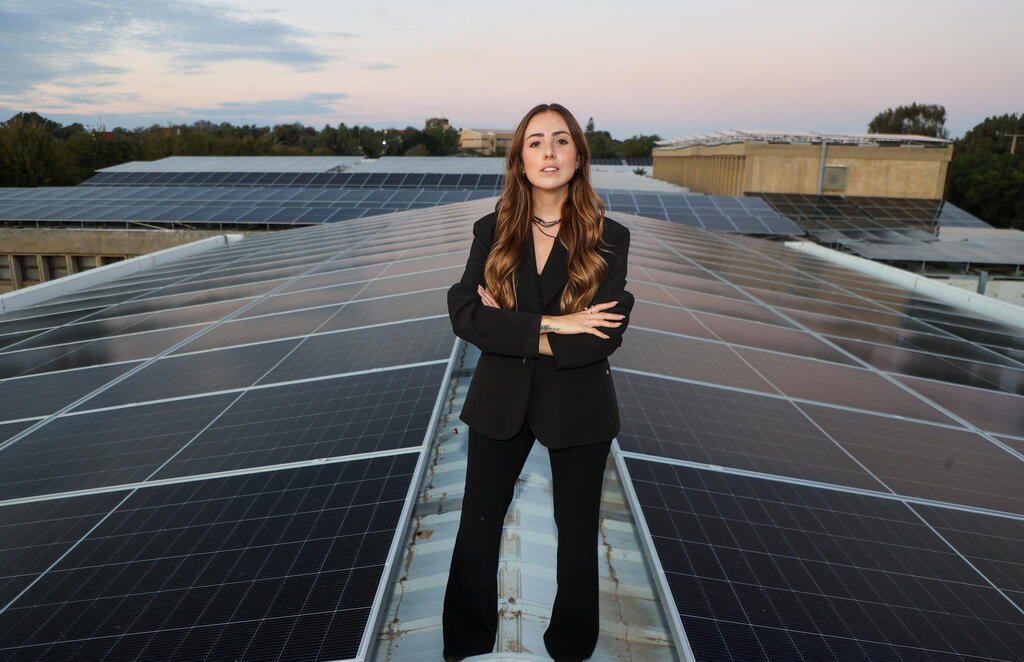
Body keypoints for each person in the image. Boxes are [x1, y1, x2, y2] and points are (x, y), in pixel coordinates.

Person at [443, 102, 634, 662]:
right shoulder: (493, 230)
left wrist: (512, 327)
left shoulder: (611, 238)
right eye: (534, 142)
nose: (548, 152)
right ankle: (467, 644)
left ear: (578, 154)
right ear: (520, 159)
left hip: (580, 407)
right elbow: (464, 314)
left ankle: (570, 649)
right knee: (475, 530)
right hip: (500, 401)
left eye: (560, 141)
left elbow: (602, 336)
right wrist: (558, 323)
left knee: (577, 538)